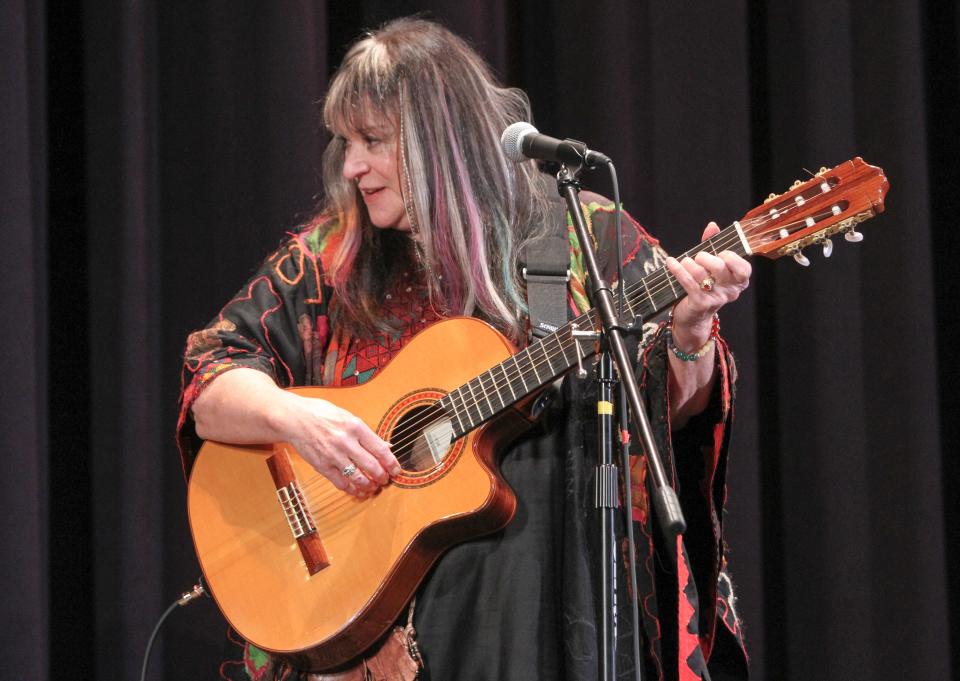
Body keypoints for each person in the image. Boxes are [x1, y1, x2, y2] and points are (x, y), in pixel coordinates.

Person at [177, 17, 752, 681]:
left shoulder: (580, 235)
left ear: (437, 138)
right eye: (346, 142)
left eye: (373, 141)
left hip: (553, 612)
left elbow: (668, 409)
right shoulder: (329, 259)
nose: (352, 165)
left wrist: (690, 337)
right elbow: (209, 378)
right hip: (381, 634)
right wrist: (297, 420)